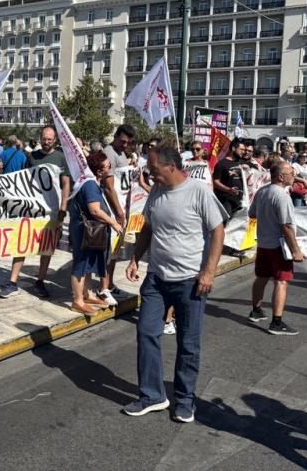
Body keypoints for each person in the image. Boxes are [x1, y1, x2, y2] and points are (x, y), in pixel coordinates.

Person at [124, 146, 226, 422]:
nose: (150, 175)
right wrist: (135, 257)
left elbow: (218, 230)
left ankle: (184, 400)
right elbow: (148, 227)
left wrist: (209, 272)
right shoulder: (156, 191)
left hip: (190, 281)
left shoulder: (198, 191)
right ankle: (152, 395)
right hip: (157, 279)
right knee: (146, 333)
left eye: (154, 170)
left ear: (171, 167)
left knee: (188, 343)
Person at [0, 126, 70, 298]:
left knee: (46, 248)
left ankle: (40, 281)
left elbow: (66, 183)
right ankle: (12, 282)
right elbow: (25, 179)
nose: (46, 142)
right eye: (44, 139)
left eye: (50, 139)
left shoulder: (61, 158)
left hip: (51, 210)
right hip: (32, 209)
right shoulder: (33, 157)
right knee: (21, 244)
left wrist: (63, 206)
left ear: (55, 140)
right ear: (40, 138)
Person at [248, 163, 305, 335]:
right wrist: (296, 250)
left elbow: (252, 214)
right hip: (279, 246)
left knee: (261, 277)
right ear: (281, 177)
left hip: (264, 243)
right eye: (290, 173)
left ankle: (256, 310)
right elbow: (286, 226)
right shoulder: (282, 196)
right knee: (281, 281)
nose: (293, 176)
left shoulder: (262, 192)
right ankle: (277, 322)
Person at [67, 151, 123, 315]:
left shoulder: (89, 181)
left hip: (88, 230)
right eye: (108, 166)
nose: (110, 168)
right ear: (99, 171)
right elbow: (95, 210)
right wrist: (113, 223)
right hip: (85, 231)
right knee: (81, 263)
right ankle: (77, 300)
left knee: (88, 263)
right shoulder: (90, 185)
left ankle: (87, 294)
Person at [99, 125, 135, 305]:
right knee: (109, 250)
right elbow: (109, 187)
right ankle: (103, 288)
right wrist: (119, 212)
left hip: (122, 209)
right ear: (115, 137)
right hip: (113, 210)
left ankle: (110, 284)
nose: (125, 145)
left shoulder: (122, 153)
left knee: (115, 251)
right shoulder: (109, 153)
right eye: (122, 141)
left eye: (128, 143)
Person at [213, 138, 246, 218]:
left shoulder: (240, 163)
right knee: (227, 225)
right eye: (241, 149)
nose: (243, 152)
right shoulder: (221, 164)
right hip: (226, 202)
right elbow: (215, 182)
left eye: (244, 150)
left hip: (239, 202)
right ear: (233, 148)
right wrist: (229, 190)